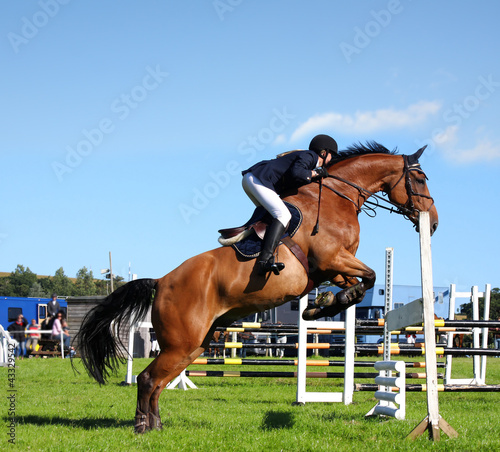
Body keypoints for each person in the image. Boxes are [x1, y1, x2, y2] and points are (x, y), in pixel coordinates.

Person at [242, 134, 338, 275]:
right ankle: (265, 260)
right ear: (324, 153)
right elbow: (297, 173)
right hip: (257, 179)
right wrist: (316, 173)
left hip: (254, 179)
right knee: (283, 214)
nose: (331, 160)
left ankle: (254, 248)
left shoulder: (308, 158)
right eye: (331, 156)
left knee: (271, 217)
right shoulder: (310, 156)